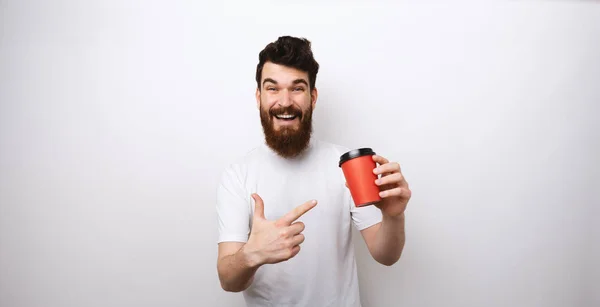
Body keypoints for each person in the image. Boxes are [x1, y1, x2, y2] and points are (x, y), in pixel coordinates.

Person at [215, 35, 411, 307]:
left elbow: (385, 255)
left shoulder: (347, 166)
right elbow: (228, 279)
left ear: (312, 96)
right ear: (259, 97)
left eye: (297, 88)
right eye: (273, 89)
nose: (285, 101)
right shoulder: (237, 175)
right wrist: (251, 254)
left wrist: (394, 217)